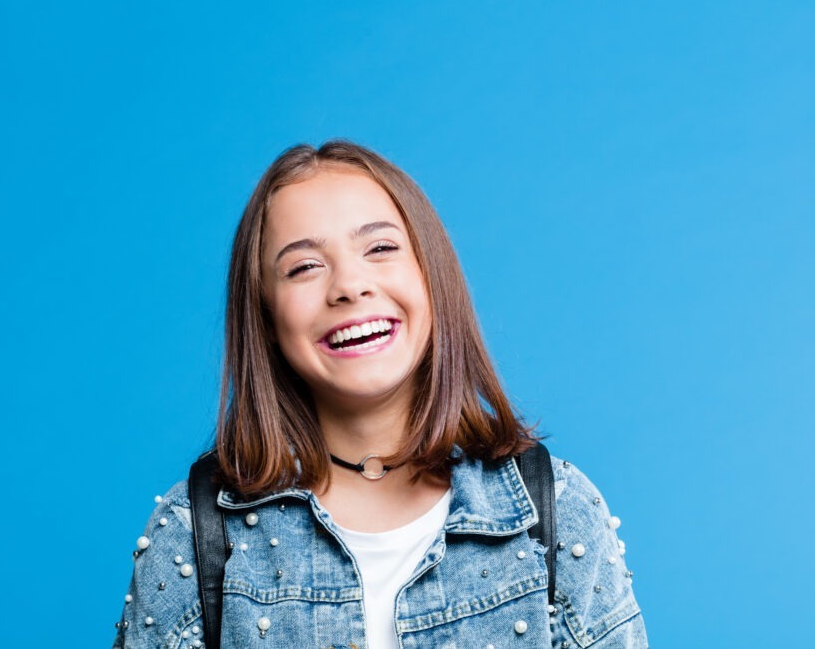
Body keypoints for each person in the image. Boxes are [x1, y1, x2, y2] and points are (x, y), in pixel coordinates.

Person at [112, 141, 647, 648]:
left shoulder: (556, 509)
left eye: (381, 248)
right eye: (303, 267)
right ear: (267, 318)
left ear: (431, 277)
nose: (350, 284)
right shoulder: (193, 529)